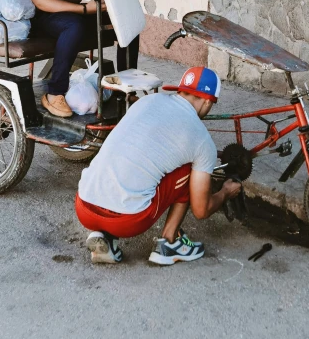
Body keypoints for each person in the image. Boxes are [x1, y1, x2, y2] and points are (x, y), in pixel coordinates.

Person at [75, 66, 242, 265]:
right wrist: (224, 192)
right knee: (189, 168)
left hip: (84, 206)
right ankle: (169, 243)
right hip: (128, 221)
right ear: (208, 102)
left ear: (181, 90)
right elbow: (201, 210)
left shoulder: (147, 101)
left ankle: (104, 237)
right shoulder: (202, 141)